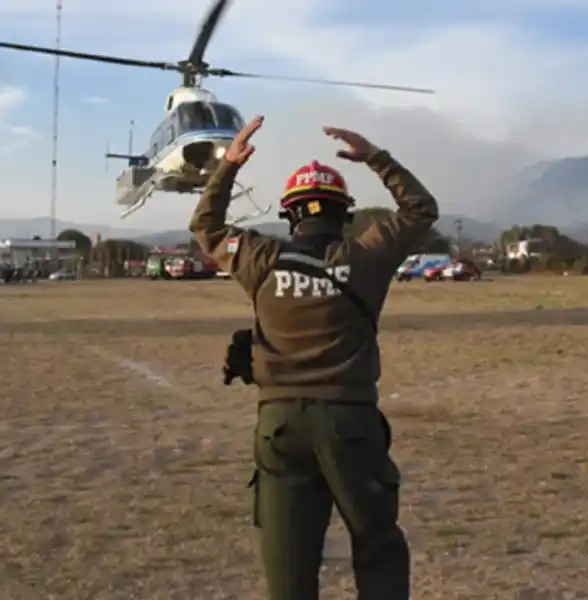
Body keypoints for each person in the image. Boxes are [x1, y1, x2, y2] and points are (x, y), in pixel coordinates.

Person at [188, 115, 439, 600]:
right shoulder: (366, 256)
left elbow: (206, 226)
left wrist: (229, 167)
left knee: (290, 568)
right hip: (352, 423)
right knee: (378, 549)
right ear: (345, 213)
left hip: (279, 425)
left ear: (289, 214)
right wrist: (376, 157)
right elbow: (420, 209)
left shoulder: (260, 258)